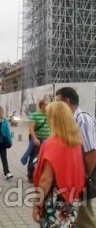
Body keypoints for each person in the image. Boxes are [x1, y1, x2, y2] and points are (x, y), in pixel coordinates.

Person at [31, 101, 85, 226]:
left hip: (55, 201)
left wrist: (36, 204)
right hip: (72, 199)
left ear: (53, 119)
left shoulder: (52, 144)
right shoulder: (75, 142)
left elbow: (46, 180)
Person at [55, 87, 96, 227]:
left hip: (83, 175)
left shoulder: (82, 119)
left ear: (67, 102)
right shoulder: (70, 120)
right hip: (75, 176)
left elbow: (91, 154)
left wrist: (84, 176)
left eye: (58, 102)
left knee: (85, 218)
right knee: (76, 216)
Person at [23, 99, 49, 182]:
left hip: (47, 139)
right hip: (37, 139)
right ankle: (30, 175)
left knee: (45, 158)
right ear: (41, 106)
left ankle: (41, 174)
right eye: (46, 105)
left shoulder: (50, 115)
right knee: (34, 157)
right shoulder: (35, 115)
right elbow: (31, 128)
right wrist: (35, 139)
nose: (48, 106)